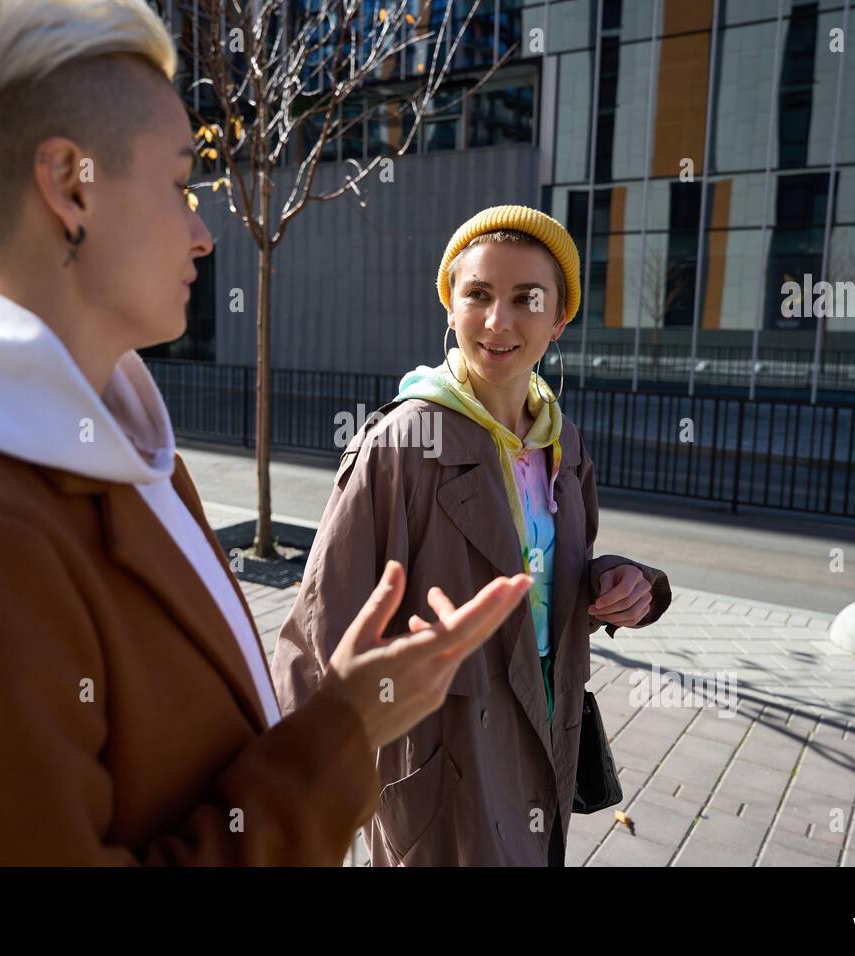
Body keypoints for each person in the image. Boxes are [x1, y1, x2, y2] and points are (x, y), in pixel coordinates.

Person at [0, 0, 531, 866]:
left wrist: (343, 709)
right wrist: (345, 729)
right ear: (72, 185)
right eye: (182, 184)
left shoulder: (110, 447)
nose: (203, 232)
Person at [272, 205, 673, 866]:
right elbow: (318, 632)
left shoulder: (560, 441)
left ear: (559, 318)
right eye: (478, 295)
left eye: (526, 299)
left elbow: (551, 572)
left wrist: (621, 583)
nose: (499, 321)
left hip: (546, 729)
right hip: (446, 755)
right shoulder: (401, 443)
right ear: (450, 308)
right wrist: (293, 798)